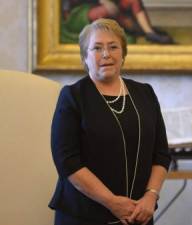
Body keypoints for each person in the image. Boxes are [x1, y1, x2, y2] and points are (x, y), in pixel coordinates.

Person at [49, 18, 171, 225]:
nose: (106, 54)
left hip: (139, 215)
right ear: (84, 57)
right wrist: (112, 203)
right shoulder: (73, 96)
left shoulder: (145, 93)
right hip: (84, 217)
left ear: (122, 54)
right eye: (97, 48)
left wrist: (151, 196)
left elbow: (161, 153)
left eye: (113, 47)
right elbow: (67, 161)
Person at [61, 0, 174, 44]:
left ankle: (150, 33)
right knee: (107, 11)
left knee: (133, 1)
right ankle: (136, 28)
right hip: (78, 13)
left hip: (103, 5)